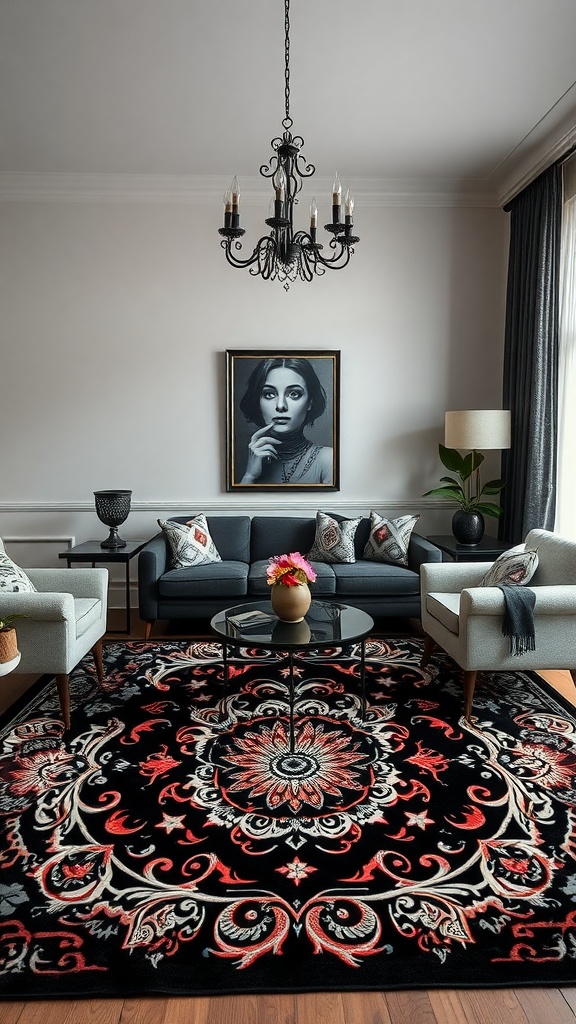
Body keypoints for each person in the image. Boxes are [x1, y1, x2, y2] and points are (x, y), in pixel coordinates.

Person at [238, 357, 334, 485]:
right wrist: (249, 476)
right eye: (269, 394)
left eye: (294, 394)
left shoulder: (328, 460)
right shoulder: (243, 459)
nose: (281, 406)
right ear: (257, 401)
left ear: (310, 402)